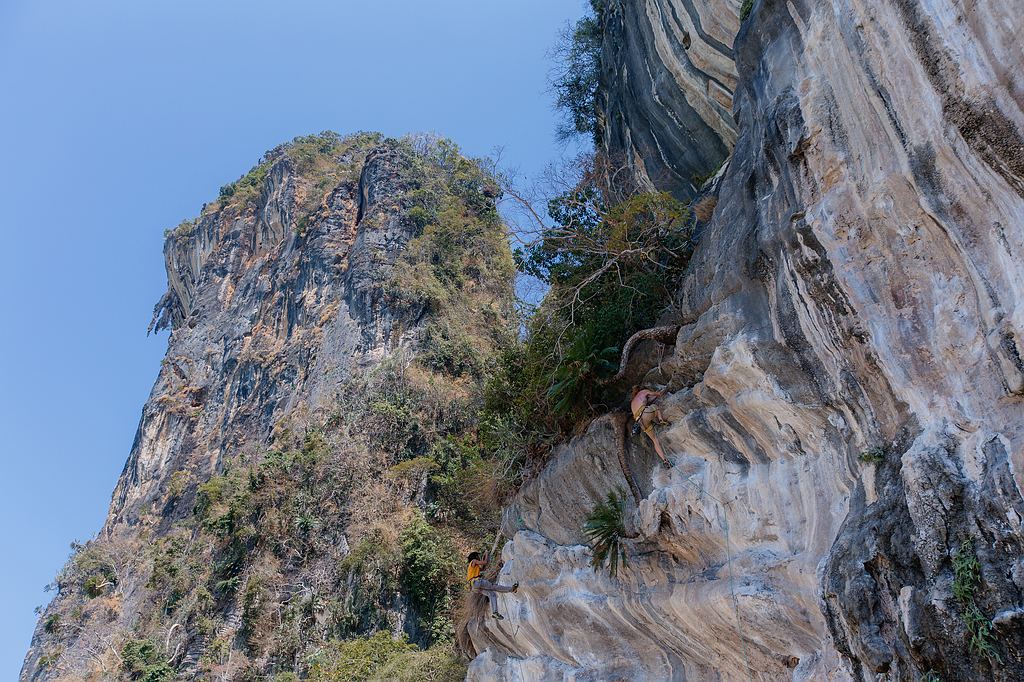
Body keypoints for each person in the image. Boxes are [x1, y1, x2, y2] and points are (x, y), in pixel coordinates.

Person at [467, 551, 518, 620]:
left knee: (492, 594)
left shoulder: (473, 566)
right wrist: (486, 554)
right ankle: (511, 589)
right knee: (494, 586)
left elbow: (483, 567)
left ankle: (495, 612)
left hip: (474, 587)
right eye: (478, 556)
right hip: (476, 582)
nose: (479, 558)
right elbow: (485, 562)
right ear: (475, 556)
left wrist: (485, 556)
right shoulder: (474, 561)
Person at [631, 385, 670, 464]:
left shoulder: (632, 403)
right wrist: (665, 389)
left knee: (654, 440)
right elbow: (658, 394)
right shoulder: (643, 392)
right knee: (655, 407)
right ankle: (661, 420)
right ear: (640, 389)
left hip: (640, 423)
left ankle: (665, 460)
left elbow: (644, 403)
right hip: (646, 413)